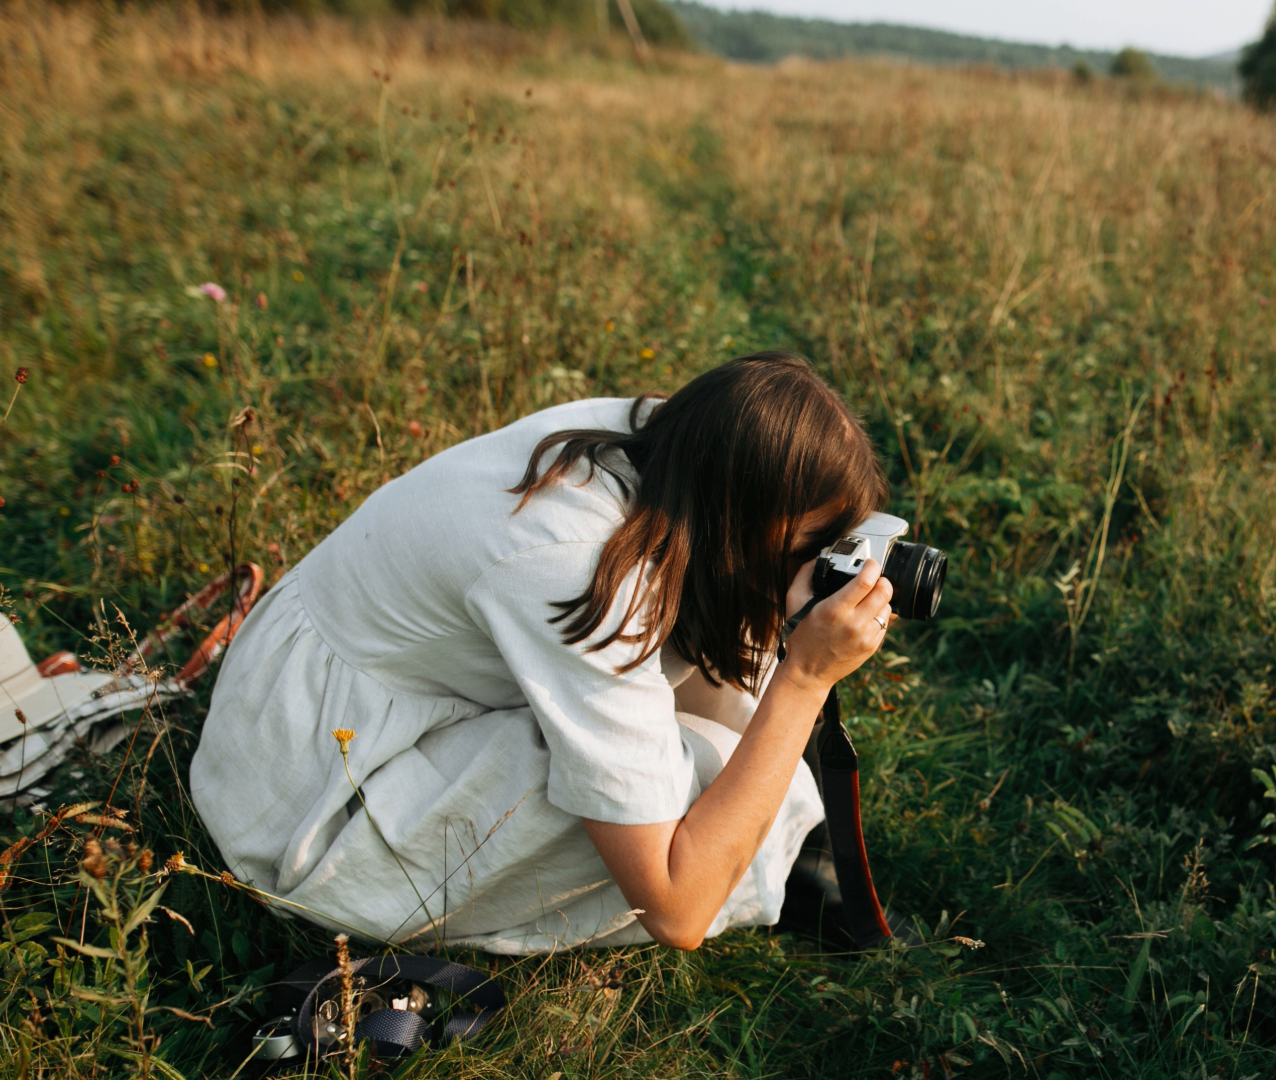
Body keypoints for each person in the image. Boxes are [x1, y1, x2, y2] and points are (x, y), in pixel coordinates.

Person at [189, 352, 895, 954]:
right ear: (734, 520)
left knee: (740, 713)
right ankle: (776, 862)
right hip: (308, 808)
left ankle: (781, 843)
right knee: (710, 784)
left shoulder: (658, 441)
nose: (815, 568)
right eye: (802, 548)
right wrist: (802, 679)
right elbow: (676, 910)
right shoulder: (587, 569)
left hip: (325, 703)